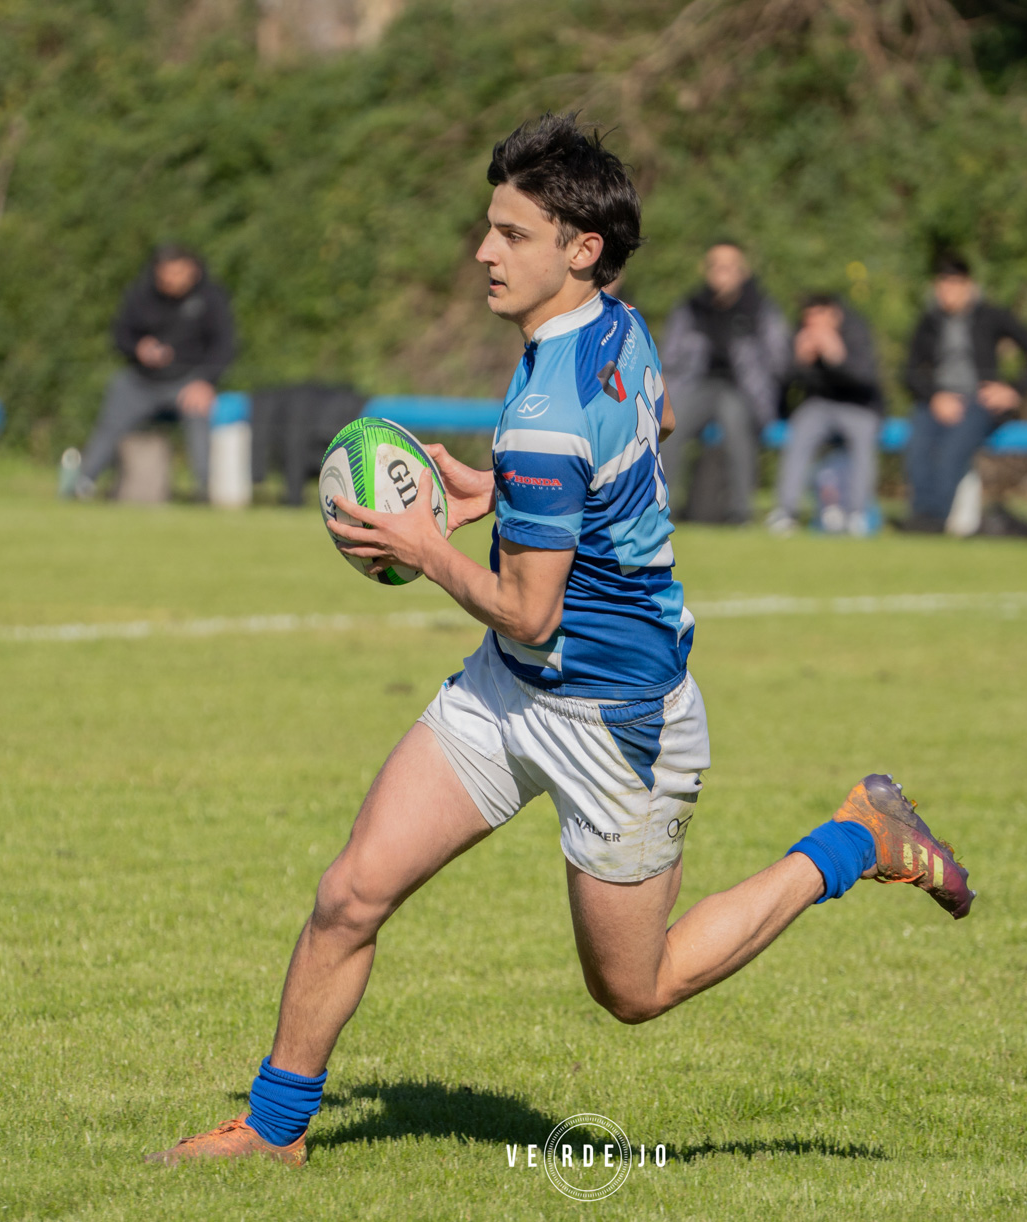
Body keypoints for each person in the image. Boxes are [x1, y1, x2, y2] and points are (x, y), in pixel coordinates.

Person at [145, 113, 975, 1170]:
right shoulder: (617, 326)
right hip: (513, 690)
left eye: (510, 234)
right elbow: (639, 439)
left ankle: (859, 836)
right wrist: (506, 494)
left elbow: (528, 605)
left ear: (579, 249)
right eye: (487, 228)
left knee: (636, 989)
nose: (484, 252)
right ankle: (272, 1132)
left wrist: (422, 542)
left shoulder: (546, 406)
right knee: (352, 891)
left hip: (619, 721)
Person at [65, 245, 236, 501]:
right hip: (141, 381)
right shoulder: (141, 293)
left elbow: (225, 345)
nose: (171, 280)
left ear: (192, 269)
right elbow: (120, 334)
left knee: (199, 415)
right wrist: (138, 348)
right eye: (166, 274)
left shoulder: (211, 297)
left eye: (178, 273)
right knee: (112, 416)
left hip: (188, 382)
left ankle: (204, 491)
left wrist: (205, 382)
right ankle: (83, 484)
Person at [896, 252, 1027, 536]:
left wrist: (1015, 389)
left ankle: (935, 519)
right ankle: (922, 514)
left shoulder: (991, 316)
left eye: (954, 284)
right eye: (942, 284)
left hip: (980, 401)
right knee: (918, 446)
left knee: (953, 448)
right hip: (937, 401)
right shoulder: (929, 322)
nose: (947, 291)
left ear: (968, 285)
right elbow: (911, 371)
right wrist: (934, 397)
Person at [658, 240, 789, 524]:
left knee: (735, 422)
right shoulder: (692, 307)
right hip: (698, 385)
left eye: (728, 267)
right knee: (668, 425)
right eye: (716, 266)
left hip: (743, 391)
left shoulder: (760, 308)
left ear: (742, 272)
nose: (721, 273)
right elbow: (669, 355)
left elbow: (779, 360)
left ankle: (740, 512)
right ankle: (658, 507)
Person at [765, 293, 885, 536]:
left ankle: (857, 514)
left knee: (863, 439)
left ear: (833, 314)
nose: (812, 325)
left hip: (858, 406)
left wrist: (837, 358)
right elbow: (783, 385)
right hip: (819, 405)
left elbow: (867, 381)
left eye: (817, 318)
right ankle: (786, 511)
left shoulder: (856, 331)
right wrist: (798, 362)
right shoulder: (800, 334)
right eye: (808, 319)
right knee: (799, 433)